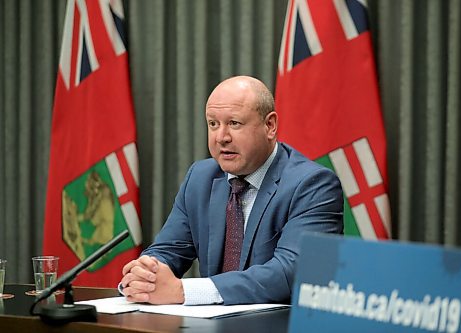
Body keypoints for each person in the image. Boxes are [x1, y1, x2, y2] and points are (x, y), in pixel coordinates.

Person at [120, 75, 343, 305]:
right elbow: (168, 250)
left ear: (270, 126)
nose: (221, 137)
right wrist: (144, 277)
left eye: (234, 123)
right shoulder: (200, 178)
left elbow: (291, 272)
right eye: (213, 124)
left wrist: (184, 291)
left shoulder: (313, 184)